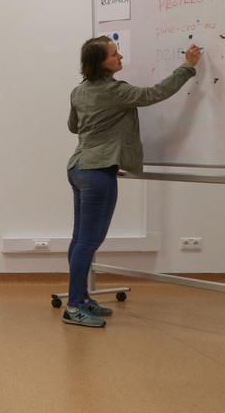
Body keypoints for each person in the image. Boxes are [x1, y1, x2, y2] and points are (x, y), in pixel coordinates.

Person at [64, 37, 201, 327]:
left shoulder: (78, 92)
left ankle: (81, 298)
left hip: (78, 168)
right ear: (101, 63)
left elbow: (74, 126)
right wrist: (187, 67)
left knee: (81, 240)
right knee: (88, 242)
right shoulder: (116, 91)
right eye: (114, 54)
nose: (120, 56)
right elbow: (155, 93)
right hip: (98, 172)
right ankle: (74, 306)